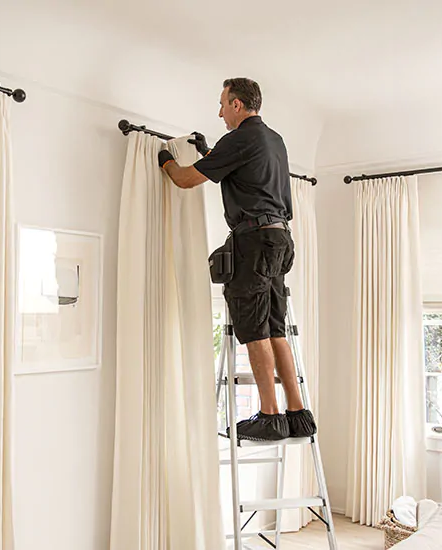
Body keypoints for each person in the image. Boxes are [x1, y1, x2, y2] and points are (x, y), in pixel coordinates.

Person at [156, 77, 317, 442]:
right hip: (279, 239)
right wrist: (210, 152)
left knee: (254, 327)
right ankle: (296, 413)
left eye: (223, 104)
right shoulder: (274, 140)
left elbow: (183, 180)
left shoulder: (240, 139)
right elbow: (246, 176)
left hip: (255, 242)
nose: (220, 111)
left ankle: (269, 415)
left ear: (238, 105)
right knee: (275, 327)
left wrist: (165, 160)